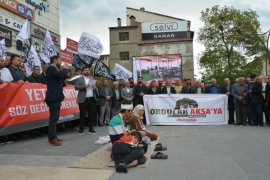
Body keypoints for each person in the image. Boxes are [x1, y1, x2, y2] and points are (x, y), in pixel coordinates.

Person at [45, 55, 68, 146]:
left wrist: (65, 82)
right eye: (59, 60)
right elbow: (59, 75)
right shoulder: (51, 68)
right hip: (53, 98)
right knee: (53, 118)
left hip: (56, 97)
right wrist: (65, 69)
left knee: (55, 118)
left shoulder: (56, 70)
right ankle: (52, 138)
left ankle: (53, 135)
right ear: (55, 60)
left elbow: (59, 80)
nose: (60, 62)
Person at [75, 67, 97, 134]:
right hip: (83, 99)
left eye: (88, 70)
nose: (87, 71)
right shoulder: (79, 79)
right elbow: (76, 87)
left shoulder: (92, 78)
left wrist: (95, 87)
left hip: (91, 98)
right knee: (82, 114)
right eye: (85, 70)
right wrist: (84, 86)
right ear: (82, 71)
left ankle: (91, 128)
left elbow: (95, 87)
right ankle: (81, 129)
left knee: (91, 114)